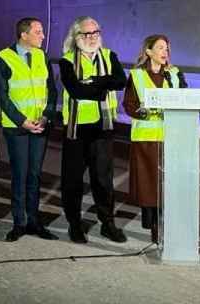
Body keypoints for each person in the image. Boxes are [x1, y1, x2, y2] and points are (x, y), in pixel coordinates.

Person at [57, 17, 128, 244]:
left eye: (94, 33)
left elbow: (120, 81)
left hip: (103, 128)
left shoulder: (109, 55)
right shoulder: (67, 61)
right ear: (75, 37)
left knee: (103, 180)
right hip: (76, 129)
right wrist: (101, 85)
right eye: (85, 34)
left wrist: (93, 82)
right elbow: (75, 90)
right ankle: (74, 224)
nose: (91, 38)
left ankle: (108, 223)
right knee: (73, 180)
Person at [0, 17, 58, 242]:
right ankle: (18, 223)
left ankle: (34, 221)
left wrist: (46, 116)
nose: (43, 35)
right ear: (24, 34)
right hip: (18, 128)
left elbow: (51, 90)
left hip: (40, 126)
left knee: (35, 175)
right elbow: (3, 97)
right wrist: (22, 121)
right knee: (20, 175)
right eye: (38, 32)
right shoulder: (3, 59)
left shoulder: (42, 56)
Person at [122, 34, 187, 244]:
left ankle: (166, 224)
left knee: (167, 184)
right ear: (148, 51)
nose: (164, 52)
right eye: (160, 48)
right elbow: (129, 104)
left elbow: (185, 98)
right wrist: (142, 112)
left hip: (171, 139)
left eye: (167, 48)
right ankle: (152, 226)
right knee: (149, 184)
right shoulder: (137, 75)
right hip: (146, 139)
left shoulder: (175, 74)